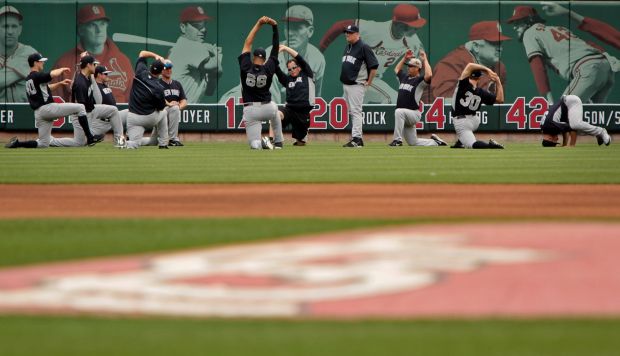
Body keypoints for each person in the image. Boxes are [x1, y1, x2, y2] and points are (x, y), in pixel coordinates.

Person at [320, 4, 425, 104]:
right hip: (359, 76)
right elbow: (341, 25)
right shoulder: (375, 30)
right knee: (392, 99)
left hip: (373, 79)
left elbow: (414, 70)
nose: (416, 29)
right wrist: (321, 50)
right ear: (398, 25)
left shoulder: (413, 41)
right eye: (413, 26)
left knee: (350, 115)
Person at [507, 6, 615, 104]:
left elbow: (538, 67)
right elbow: (588, 44)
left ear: (528, 20)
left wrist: (548, 101)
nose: (514, 27)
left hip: (587, 69)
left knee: (559, 113)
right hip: (605, 67)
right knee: (593, 117)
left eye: (517, 22)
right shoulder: (559, 29)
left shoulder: (529, 33)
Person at [5, 53, 94, 149]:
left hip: (39, 113)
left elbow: (47, 88)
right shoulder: (37, 75)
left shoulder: (29, 78)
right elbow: (52, 74)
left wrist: (60, 83)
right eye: (41, 61)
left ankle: (18, 144)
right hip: (47, 108)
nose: (43, 63)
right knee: (80, 107)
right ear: (36, 63)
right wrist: (61, 69)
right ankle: (90, 137)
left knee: (43, 144)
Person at [52, 4, 134, 103]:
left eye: (102, 24)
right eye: (92, 25)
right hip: (82, 116)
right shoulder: (64, 63)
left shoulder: (123, 61)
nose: (99, 30)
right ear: (80, 30)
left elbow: (133, 102)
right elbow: (56, 103)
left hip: (115, 116)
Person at [427, 21, 510, 103]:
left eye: (500, 43)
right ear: (476, 46)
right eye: (494, 43)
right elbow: (445, 103)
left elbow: (498, 104)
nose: (500, 48)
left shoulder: (499, 67)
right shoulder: (450, 65)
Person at [238, 16, 284, 150]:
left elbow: (248, 43)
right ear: (264, 59)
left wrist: (259, 23)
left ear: (253, 57)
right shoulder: (268, 67)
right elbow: (275, 48)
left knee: (254, 145)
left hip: (250, 110)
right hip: (267, 108)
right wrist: (275, 27)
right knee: (275, 110)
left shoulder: (246, 66)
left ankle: (261, 143)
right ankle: (279, 141)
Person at [389, 50, 447, 147]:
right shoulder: (404, 77)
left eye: (411, 66)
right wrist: (404, 58)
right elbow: (396, 69)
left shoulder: (419, 81)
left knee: (398, 111)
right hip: (405, 115)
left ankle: (397, 140)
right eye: (408, 65)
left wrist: (425, 60)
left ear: (418, 68)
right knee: (413, 142)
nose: (408, 67)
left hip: (413, 113)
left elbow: (429, 75)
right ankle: (436, 143)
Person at [168, 6, 221, 103]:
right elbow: (215, 65)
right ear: (183, 27)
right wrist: (215, 53)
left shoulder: (187, 48)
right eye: (197, 25)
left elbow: (210, 91)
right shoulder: (188, 46)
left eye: (204, 24)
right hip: (177, 111)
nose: (203, 29)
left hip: (181, 111)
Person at [340, 24, 379, 148]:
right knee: (352, 112)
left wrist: (369, 81)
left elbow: (374, 66)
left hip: (357, 84)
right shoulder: (348, 47)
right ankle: (356, 138)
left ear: (357, 34)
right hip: (346, 84)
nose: (347, 34)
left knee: (356, 111)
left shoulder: (363, 47)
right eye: (346, 32)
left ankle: (357, 139)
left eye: (350, 32)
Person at [450, 63, 504, 149]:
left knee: (472, 144)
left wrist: (487, 70)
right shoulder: (481, 92)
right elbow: (500, 99)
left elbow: (470, 65)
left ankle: (490, 145)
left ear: (468, 76)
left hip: (462, 121)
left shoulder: (463, 84)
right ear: (479, 78)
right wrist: (498, 81)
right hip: (475, 121)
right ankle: (460, 142)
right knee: (466, 132)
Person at [123, 51, 168, 150]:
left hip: (132, 117)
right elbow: (160, 108)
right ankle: (163, 144)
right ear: (161, 72)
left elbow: (142, 53)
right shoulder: (158, 88)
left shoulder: (140, 72)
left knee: (133, 145)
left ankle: (127, 142)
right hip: (148, 118)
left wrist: (156, 55)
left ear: (150, 67)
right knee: (164, 112)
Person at [274, 44, 315, 146]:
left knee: (300, 142)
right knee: (276, 115)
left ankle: (300, 138)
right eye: (289, 69)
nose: (292, 70)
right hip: (290, 109)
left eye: (294, 67)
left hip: (303, 112)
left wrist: (285, 48)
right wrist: (273, 57)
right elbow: (277, 70)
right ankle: (275, 140)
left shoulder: (307, 74)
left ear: (299, 67)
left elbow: (299, 58)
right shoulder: (288, 79)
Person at [541, 95, 611, 147]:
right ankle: (597, 134)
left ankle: (601, 131)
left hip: (571, 101)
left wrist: (571, 145)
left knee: (575, 125)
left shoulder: (550, 126)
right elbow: (564, 130)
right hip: (566, 106)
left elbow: (570, 129)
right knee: (578, 129)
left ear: (550, 138)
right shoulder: (544, 128)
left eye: (555, 141)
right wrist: (564, 145)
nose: (557, 139)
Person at [0, 5, 38, 102]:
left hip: (24, 113)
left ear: (20, 29)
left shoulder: (30, 53)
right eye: (5, 26)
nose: (10, 31)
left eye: (14, 26)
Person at [160, 60, 187, 146]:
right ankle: (133, 139)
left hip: (172, 114)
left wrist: (177, 107)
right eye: (166, 68)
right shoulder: (157, 83)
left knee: (175, 109)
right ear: (161, 70)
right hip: (160, 115)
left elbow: (184, 101)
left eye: (170, 68)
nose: (168, 70)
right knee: (153, 141)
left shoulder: (177, 84)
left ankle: (173, 139)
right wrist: (170, 104)